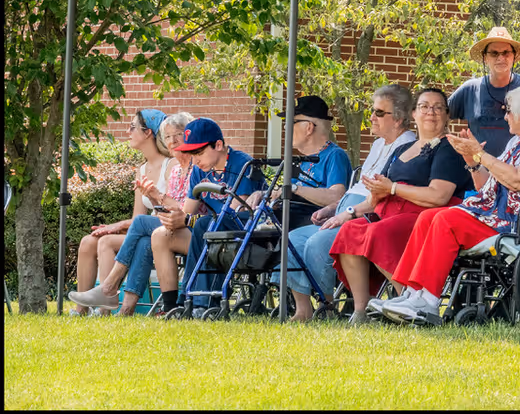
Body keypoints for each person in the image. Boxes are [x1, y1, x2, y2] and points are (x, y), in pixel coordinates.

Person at [379, 84, 520, 324]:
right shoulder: (517, 142)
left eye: (509, 111)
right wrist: (471, 160)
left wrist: (481, 155)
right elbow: (487, 186)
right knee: (427, 218)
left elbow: (517, 180)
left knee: (445, 220)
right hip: (501, 214)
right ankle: (411, 292)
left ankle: (428, 301)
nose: (505, 117)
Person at [328, 88, 473, 324]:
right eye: (425, 106)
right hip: (388, 210)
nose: (431, 112)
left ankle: (409, 299)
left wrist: (393, 188)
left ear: (447, 116)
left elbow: (438, 196)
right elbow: (380, 191)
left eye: (438, 107)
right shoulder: (402, 149)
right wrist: (350, 212)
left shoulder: (449, 148)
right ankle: (361, 310)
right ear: (413, 114)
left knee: (378, 233)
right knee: (349, 232)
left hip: (426, 214)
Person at [280, 85, 416, 321]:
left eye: (378, 113)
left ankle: (328, 307)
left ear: (399, 118)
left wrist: (347, 212)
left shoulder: (407, 146)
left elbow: (381, 195)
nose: (371, 118)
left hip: (366, 216)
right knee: (291, 240)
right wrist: (332, 208)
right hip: (345, 211)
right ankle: (303, 310)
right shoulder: (377, 144)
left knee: (317, 242)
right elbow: (357, 187)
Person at [67, 111, 193, 316]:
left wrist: (117, 226)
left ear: (148, 133)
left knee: (106, 242)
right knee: (88, 241)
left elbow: (172, 207)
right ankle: (86, 310)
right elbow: (140, 216)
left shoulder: (172, 165)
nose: (127, 131)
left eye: (132, 127)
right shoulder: (141, 170)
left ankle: (106, 301)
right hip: (148, 227)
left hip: (164, 227)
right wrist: (115, 225)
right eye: (168, 137)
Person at [149, 117, 267, 316]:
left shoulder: (242, 164)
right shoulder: (199, 170)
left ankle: (204, 302)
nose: (194, 160)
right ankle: (188, 300)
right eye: (191, 154)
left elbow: (238, 211)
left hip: (248, 232)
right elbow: (188, 211)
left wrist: (187, 220)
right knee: (198, 227)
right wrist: (175, 216)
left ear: (218, 145)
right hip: (212, 230)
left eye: (199, 152)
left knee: (206, 225)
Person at [447, 26, 520, 154]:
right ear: (485, 57)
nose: (501, 58)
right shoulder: (471, 89)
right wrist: (446, 147)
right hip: (479, 170)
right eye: (494, 53)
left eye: (506, 53)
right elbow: (439, 115)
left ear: (514, 56)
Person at [248, 95, 351, 227]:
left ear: (309, 127)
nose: (285, 127)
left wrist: (295, 188)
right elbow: (287, 193)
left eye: (292, 122)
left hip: (309, 225)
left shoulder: (334, 155)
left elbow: (337, 196)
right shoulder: (303, 160)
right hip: (287, 221)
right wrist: (263, 194)